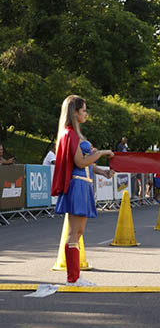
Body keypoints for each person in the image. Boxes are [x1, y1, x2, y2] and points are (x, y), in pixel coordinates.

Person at [51, 95, 115, 286]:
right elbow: (80, 161)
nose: (86, 113)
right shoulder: (70, 134)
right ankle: (73, 277)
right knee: (74, 232)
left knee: (78, 232)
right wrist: (101, 153)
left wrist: (102, 171)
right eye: (84, 110)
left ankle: (75, 276)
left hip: (83, 183)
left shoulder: (74, 134)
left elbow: (85, 163)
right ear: (75, 112)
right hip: (77, 185)